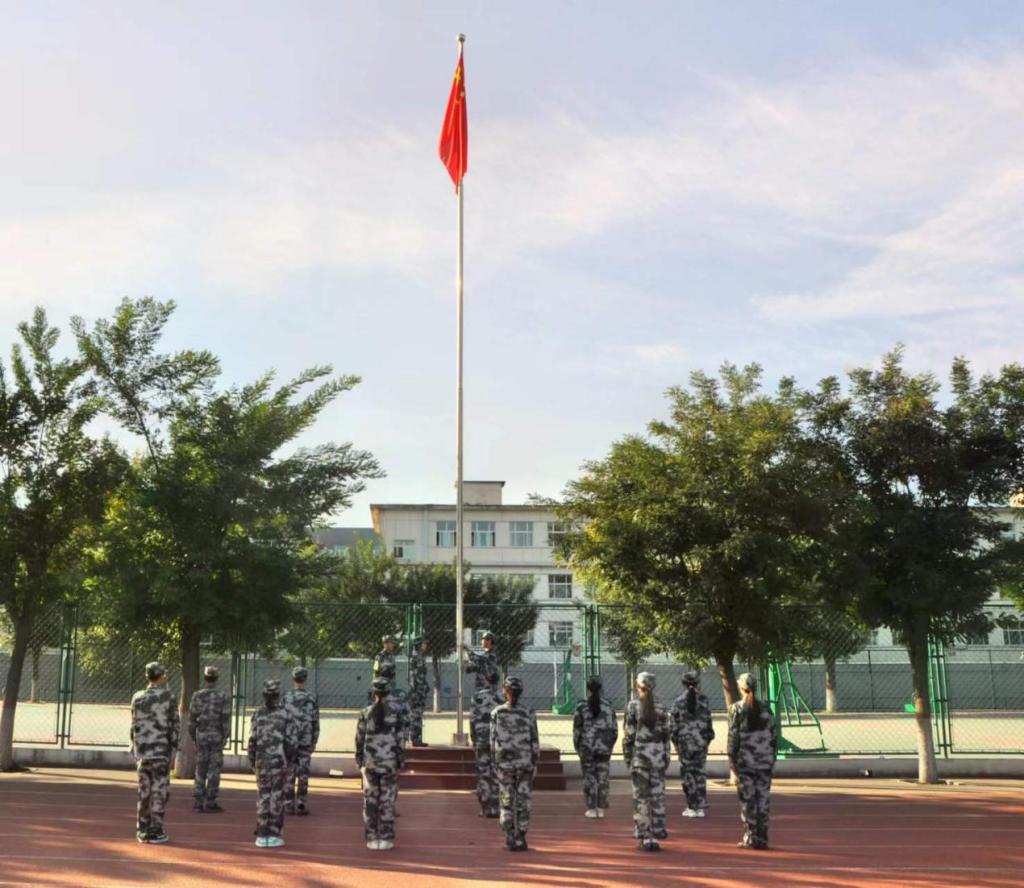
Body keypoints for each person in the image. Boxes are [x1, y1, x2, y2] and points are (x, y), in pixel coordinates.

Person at [355, 677, 408, 850]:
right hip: (389, 763)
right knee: (387, 800)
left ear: (374, 692)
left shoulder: (365, 713)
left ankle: (372, 837)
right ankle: (386, 838)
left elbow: (359, 739)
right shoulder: (396, 713)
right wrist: (400, 762)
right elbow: (400, 740)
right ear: (388, 692)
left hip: (370, 763)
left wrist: (359, 760)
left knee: (370, 800)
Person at [130, 661, 180, 844]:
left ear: (147, 676)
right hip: (160, 751)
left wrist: (134, 747)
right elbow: (175, 726)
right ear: (162, 676)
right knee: (159, 791)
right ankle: (156, 830)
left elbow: (133, 725)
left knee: (144, 791)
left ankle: (142, 829)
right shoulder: (168, 697)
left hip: (143, 752)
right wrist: (174, 749)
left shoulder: (137, 697)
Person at [623, 671, 671, 852]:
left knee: (641, 799)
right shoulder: (662, 708)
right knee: (657, 798)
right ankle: (657, 834)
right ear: (654, 686)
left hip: (640, 760)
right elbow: (666, 736)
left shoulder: (633, 706)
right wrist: (666, 757)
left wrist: (628, 759)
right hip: (658, 759)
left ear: (638, 686)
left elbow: (629, 736)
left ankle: (644, 836)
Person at [728, 672, 777, 850]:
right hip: (764, 760)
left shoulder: (736, 709)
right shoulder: (767, 709)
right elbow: (774, 736)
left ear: (741, 687)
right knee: (763, 799)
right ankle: (763, 837)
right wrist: (772, 757)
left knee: (748, 800)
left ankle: (750, 837)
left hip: (745, 761)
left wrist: (731, 760)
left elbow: (733, 737)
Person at [490, 675, 539, 852]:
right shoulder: (528, 712)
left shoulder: (497, 713)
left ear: (505, 691)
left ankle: (510, 836)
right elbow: (534, 740)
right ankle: (521, 837)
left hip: (504, 765)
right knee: (523, 802)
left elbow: (492, 740)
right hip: (525, 764)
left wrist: (494, 762)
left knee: (506, 800)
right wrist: (535, 762)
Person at [247, 679, 298, 849]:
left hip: (261, 762)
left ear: (264, 695)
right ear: (278, 695)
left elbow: (252, 741)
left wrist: (253, 761)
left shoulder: (258, 714)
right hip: (279, 761)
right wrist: (289, 762)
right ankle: (274, 834)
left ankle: (262, 834)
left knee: (263, 796)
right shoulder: (286, 714)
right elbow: (291, 742)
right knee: (277, 796)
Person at [572, 674, 618, 819]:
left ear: (588, 688)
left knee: (589, 777)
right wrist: (609, 745)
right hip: (604, 747)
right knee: (603, 777)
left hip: (587, 747)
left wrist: (578, 747)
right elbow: (614, 729)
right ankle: (601, 808)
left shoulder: (581, 706)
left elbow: (577, 730)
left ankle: (591, 808)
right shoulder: (608, 705)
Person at [671, 670, 715, 818]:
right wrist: (707, 739)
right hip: (701, 742)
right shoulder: (704, 700)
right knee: (700, 773)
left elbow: (673, 726)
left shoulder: (678, 702)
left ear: (683, 683)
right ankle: (700, 807)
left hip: (684, 743)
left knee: (687, 774)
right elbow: (709, 722)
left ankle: (691, 806)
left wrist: (676, 742)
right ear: (697, 683)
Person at [188, 664, 230, 814]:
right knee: (214, 769)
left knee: (201, 768)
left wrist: (194, 737)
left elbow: (192, 720)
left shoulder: (197, 696)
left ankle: (198, 802)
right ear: (216, 678)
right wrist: (225, 736)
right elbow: (225, 719)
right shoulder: (223, 696)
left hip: (202, 735)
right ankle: (210, 801)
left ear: (205, 678)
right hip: (217, 736)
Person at [283, 666, 320, 815]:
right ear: (305, 679)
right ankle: (301, 803)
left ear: (293, 678)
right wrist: (314, 741)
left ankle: (288, 804)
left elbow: (282, 719)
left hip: (290, 740)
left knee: (290, 771)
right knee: (303, 772)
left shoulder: (286, 697)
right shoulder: (312, 697)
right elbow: (316, 722)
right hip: (306, 739)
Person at [470, 670, 503, 818]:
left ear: (486, 680)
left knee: (483, 772)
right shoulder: (502, 697)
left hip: (482, 737)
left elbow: (472, 719)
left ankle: (485, 807)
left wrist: (474, 739)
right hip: (498, 739)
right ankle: (496, 807)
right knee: (497, 772)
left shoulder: (477, 696)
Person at [407, 637, 431, 747]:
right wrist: (420, 688)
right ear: (418, 645)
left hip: (420, 689)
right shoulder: (416, 657)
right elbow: (415, 676)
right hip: (417, 691)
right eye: (423, 644)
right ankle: (415, 738)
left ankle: (417, 738)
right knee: (416, 715)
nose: (425, 645)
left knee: (418, 714)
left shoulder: (420, 657)